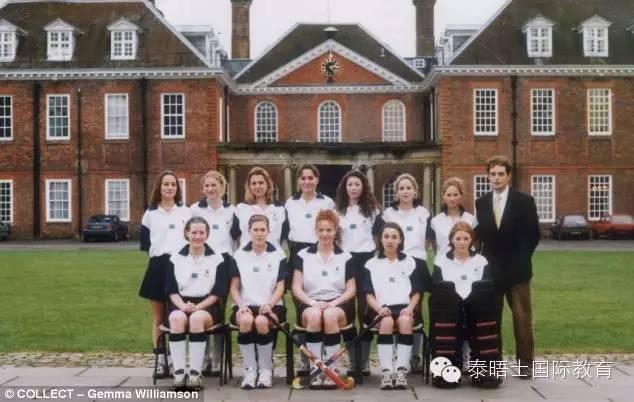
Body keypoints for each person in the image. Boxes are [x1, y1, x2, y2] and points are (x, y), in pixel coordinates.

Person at [475, 155, 540, 378]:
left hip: (517, 270)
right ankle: (494, 363)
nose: (496, 178)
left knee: (522, 319)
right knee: (492, 319)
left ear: (508, 176)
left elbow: (532, 236)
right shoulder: (481, 202)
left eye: (500, 174)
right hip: (491, 270)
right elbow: (483, 237)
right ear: (488, 176)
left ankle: (525, 364)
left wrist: (520, 260)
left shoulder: (524, 201)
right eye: (493, 174)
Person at [429, 222, 502, 388]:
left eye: (465, 238)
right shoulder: (441, 261)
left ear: (471, 240)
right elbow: (437, 286)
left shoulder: (481, 261)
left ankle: (484, 370)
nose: (462, 242)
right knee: (447, 309)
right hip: (450, 308)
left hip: (475, 307)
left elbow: (486, 286)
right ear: (451, 240)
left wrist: (469, 300)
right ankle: (446, 370)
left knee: (485, 313)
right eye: (458, 238)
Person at [164, 217, 232, 390]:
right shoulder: (175, 258)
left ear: (207, 234)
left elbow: (218, 292)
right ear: (186, 233)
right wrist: (182, 306)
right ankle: (179, 375)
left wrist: (198, 307)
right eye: (194, 232)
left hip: (208, 306)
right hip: (180, 303)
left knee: (196, 319)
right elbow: (172, 290)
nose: (198, 236)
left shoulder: (217, 259)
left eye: (202, 232)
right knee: (176, 319)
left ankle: (195, 375)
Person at [291, 210, 356, 389]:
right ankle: (316, 369)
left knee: (329, 315)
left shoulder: (346, 256)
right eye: (321, 230)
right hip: (310, 302)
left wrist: (333, 303)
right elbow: (296, 287)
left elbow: (351, 289)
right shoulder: (303, 255)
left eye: (329, 230)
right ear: (316, 231)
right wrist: (313, 303)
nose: (325, 234)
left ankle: (330, 371)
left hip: (338, 303)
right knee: (314, 315)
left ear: (335, 231)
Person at [361, 222, 429, 390]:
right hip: (380, 309)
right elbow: (368, 294)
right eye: (386, 237)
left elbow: (417, 292)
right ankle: (386, 372)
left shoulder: (410, 261)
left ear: (400, 240)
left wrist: (410, 308)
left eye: (394, 237)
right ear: (381, 240)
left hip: (405, 308)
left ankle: (401, 371)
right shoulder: (371, 263)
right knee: (387, 322)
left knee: (405, 321)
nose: (390, 240)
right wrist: (379, 309)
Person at [139, 170, 192, 378]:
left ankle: (180, 362)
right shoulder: (150, 214)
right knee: (159, 318)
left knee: (180, 316)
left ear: (177, 189)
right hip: (158, 267)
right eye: (166, 184)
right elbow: (146, 245)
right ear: (159, 188)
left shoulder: (186, 212)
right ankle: (162, 360)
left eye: (173, 184)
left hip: (181, 267)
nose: (169, 187)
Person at [285, 164, 335, 375]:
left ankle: (323, 359)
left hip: (319, 251)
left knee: (321, 305)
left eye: (310, 178)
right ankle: (305, 359)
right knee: (301, 310)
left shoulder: (327, 202)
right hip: (297, 252)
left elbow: (332, 229)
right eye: (303, 178)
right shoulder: (290, 203)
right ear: (298, 181)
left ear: (317, 179)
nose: (307, 181)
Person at [229, 214, 288, 389]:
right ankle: (250, 370)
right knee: (246, 320)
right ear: (249, 231)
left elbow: (280, 288)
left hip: (272, 306)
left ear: (268, 231)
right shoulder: (239, 254)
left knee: (262, 322)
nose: (259, 233)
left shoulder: (278, 254)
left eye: (263, 230)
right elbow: (234, 287)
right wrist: (241, 305)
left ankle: (265, 370)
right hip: (245, 305)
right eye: (255, 230)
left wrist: (269, 304)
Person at [381, 173, 432, 372]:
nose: (405, 191)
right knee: (395, 306)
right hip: (395, 263)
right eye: (401, 188)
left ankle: (415, 356)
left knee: (415, 310)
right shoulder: (388, 214)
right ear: (396, 192)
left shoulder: (423, 213)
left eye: (408, 188)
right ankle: (396, 354)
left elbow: (428, 240)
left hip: (417, 264)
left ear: (415, 191)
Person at [334, 169, 382, 376]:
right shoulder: (337, 210)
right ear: (345, 187)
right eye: (350, 184)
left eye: (357, 184)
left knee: (365, 312)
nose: (353, 188)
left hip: (366, 261)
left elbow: (379, 238)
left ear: (364, 187)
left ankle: (364, 362)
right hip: (345, 261)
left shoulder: (373, 210)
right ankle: (352, 360)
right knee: (347, 312)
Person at [190, 170, 235, 376]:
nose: (210, 189)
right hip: (202, 261)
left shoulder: (231, 210)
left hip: (224, 263)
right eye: (207, 185)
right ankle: (204, 358)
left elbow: (236, 238)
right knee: (202, 308)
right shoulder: (194, 210)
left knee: (220, 312)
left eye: (214, 185)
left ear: (222, 187)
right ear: (202, 188)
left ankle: (217, 358)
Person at [232, 167, 288, 249]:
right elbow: (236, 236)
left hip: (273, 255)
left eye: (261, 183)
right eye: (254, 183)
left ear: (268, 184)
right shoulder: (241, 208)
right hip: (247, 255)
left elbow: (284, 239)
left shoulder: (280, 209)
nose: (257, 186)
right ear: (249, 186)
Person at [430, 177, 477, 257]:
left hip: (467, 262)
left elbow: (475, 245)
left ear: (461, 195)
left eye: (455, 195)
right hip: (443, 262)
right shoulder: (435, 221)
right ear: (443, 197)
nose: (452, 199)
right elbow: (433, 247)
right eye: (449, 195)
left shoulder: (471, 219)